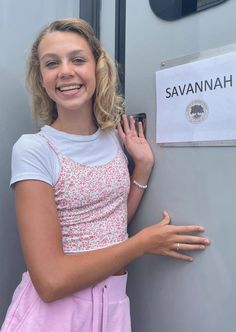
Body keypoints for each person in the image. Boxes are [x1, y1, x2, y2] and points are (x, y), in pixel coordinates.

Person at [1, 18, 210, 332]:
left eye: (78, 59)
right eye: (51, 63)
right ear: (41, 77)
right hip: (55, 314)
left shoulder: (112, 138)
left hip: (112, 306)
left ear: (97, 69)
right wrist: (141, 244)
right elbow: (50, 281)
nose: (65, 71)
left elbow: (109, 225)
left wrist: (142, 170)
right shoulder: (34, 149)